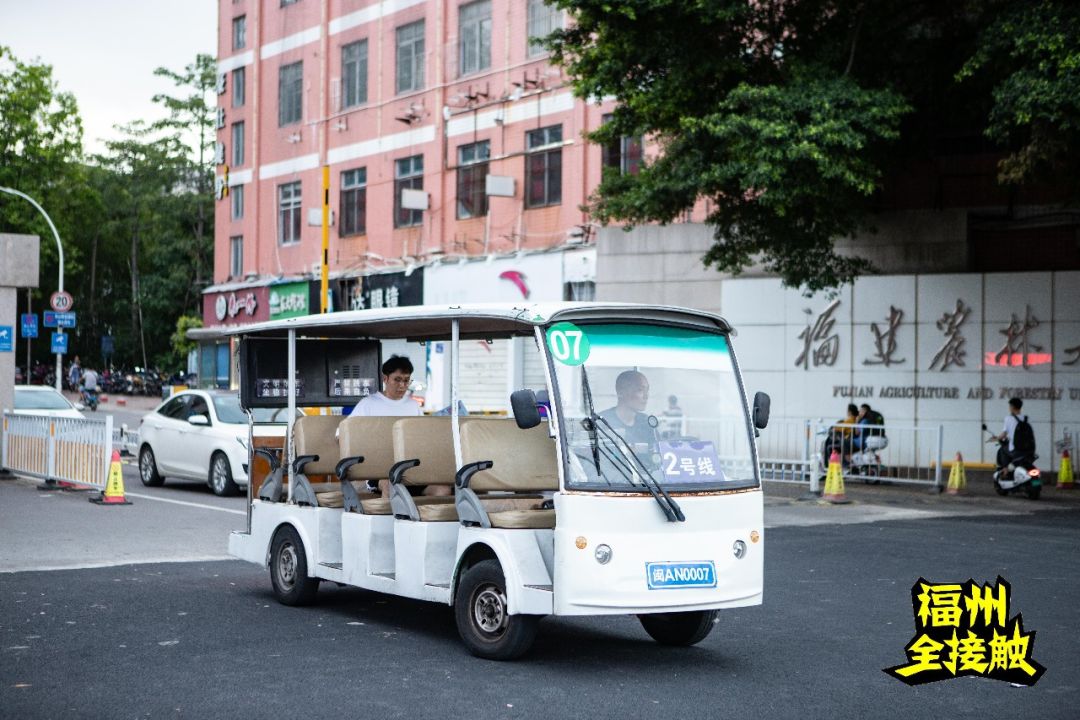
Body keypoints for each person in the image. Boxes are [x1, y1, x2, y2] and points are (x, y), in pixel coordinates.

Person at [348, 356, 422, 418]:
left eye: (406, 380)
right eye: (397, 380)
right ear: (385, 379)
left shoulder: (413, 406)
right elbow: (343, 431)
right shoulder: (368, 404)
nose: (402, 385)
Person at [599, 370, 656, 449]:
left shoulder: (646, 423)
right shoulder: (602, 422)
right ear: (621, 392)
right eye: (640, 390)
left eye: (647, 390)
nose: (646, 396)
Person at [995, 397, 1035, 465]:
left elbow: (1004, 434)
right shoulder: (1027, 418)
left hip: (1015, 450)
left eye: (1010, 406)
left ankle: (1005, 470)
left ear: (1012, 407)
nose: (1009, 408)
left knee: (1002, 450)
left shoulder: (1008, 418)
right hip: (1029, 450)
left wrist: (997, 438)